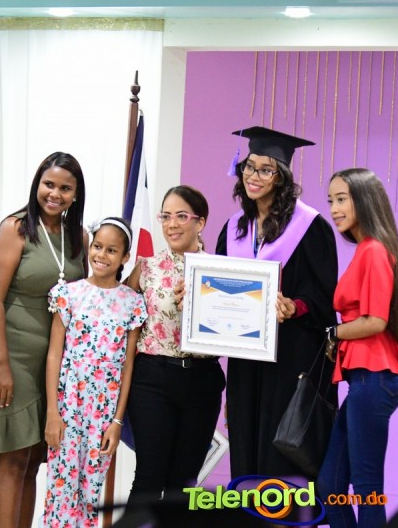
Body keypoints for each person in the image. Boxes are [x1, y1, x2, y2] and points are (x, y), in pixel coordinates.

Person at [0, 152, 87, 528]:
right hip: (12, 353)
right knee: (12, 456)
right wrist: (0, 365)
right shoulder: (15, 228)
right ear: (37, 185)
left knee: (33, 459)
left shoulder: (79, 237)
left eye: (65, 188)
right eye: (49, 184)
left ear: (76, 194)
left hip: (52, 361)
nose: (55, 194)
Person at [216, 126, 338, 482]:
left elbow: (323, 297)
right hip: (245, 360)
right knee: (246, 450)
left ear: (281, 177)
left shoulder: (310, 227)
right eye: (249, 167)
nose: (254, 176)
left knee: (279, 457)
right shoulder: (234, 228)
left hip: (290, 357)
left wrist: (295, 306)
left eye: (265, 169)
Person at [318, 168, 398, 528]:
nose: (334, 209)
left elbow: (376, 321)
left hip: (375, 377)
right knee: (330, 486)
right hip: (364, 379)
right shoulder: (365, 249)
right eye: (331, 200)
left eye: (342, 199)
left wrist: (334, 333)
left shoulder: (374, 250)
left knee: (367, 486)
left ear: (364, 200)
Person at [124, 186, 226, 507]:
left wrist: (206, 300)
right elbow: (120, 321)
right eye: (166, 216)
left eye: (181, 216)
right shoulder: (146, 268)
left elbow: (236, 329)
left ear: (201, 222)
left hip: (203, 381)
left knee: (184, 485)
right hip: (152, 380)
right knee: (149, 478)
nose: (172, 224)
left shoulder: (223, 271)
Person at [42, 217, 147, 527]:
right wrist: (52, 413)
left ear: (125, 257)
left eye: (111, 250)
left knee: (90, 496)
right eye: (97, 247)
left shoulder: (132, 303)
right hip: (68, 407)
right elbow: (54, 355)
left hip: (103, 413)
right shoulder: (68, 294)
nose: (101, 255)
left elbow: (128, 365)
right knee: (60, 493)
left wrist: (117, 422)